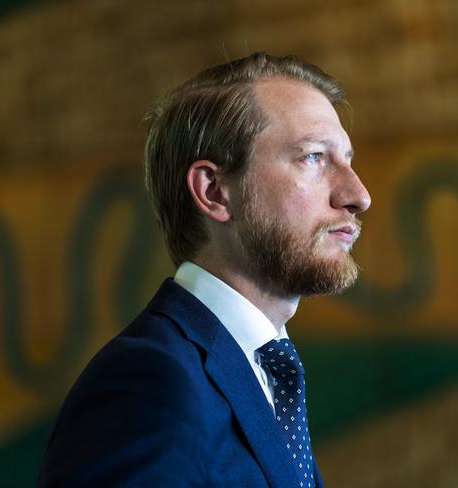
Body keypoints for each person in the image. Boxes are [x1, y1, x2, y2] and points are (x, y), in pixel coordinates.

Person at [38, 52, 370, 487]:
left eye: (346, 159)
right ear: (214, 191)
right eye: (313, 157)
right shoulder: (148, 385)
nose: (357, 195)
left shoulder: (263, 371)